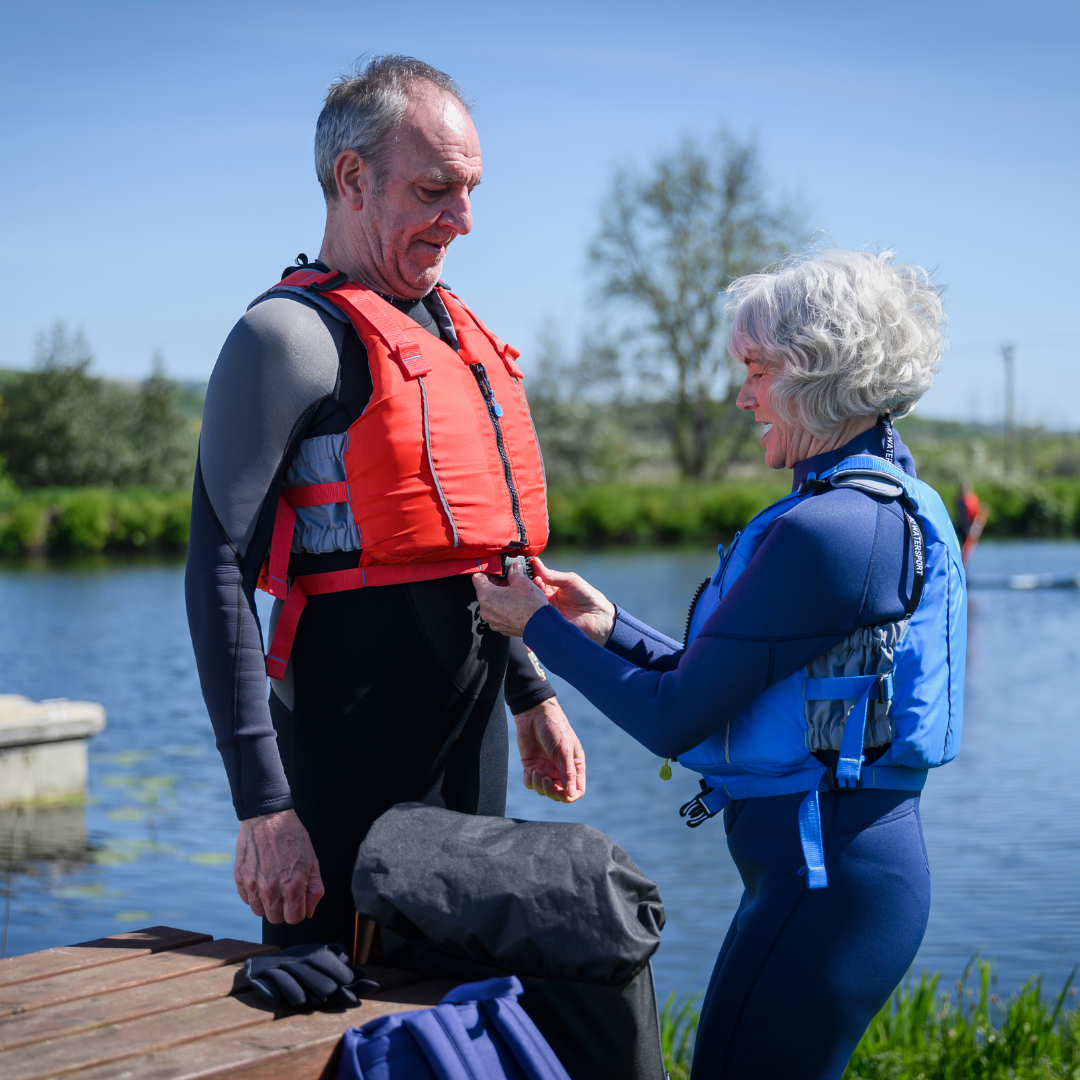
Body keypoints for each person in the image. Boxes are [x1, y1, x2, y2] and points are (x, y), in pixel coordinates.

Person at [474, 249, 966, 1080]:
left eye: (757, 369)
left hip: (825, 883)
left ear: (818, 371)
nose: (742, 395)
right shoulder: (870, 505)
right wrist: (603, 624)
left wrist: (534, 630)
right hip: (832, 873)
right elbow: (736, 684)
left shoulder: (831, 532)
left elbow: (677, 718)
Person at [186, 55, 585, 952]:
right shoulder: (284, 339)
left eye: (471, 190)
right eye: (436, 188)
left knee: (461, 1013)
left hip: (470, 751)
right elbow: (216, 574)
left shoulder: (449, 330)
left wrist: (530, 692)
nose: (464, 220)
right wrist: (264, 808)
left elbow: (471, 552)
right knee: (332, 1026)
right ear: (353, 179)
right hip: (340, 765)